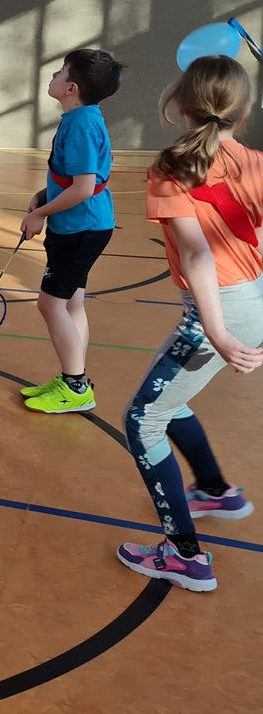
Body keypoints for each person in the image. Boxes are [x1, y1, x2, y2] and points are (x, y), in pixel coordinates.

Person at [116, 55, 263, 592]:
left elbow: (199, 254)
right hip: (252, 301)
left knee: (142, 420)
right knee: (169, 400)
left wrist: (217, 331)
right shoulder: (254, 161)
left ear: (180, 106)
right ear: (242, 112)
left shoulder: (171, 167)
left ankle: (184, 556)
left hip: (218, 310)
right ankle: (216, 491)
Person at [18, 49, 125, 414]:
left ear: (71, 88)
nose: (54, 75)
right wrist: (44, 194)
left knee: (49, 304)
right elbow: (77, 180)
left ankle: (76, 386)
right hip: (87, 225)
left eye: (61, 71)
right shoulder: (82, 118)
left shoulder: (80, 125)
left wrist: (40, 214)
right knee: (72, 303)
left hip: (80, 228)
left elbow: (83, 188)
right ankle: (72, 377)